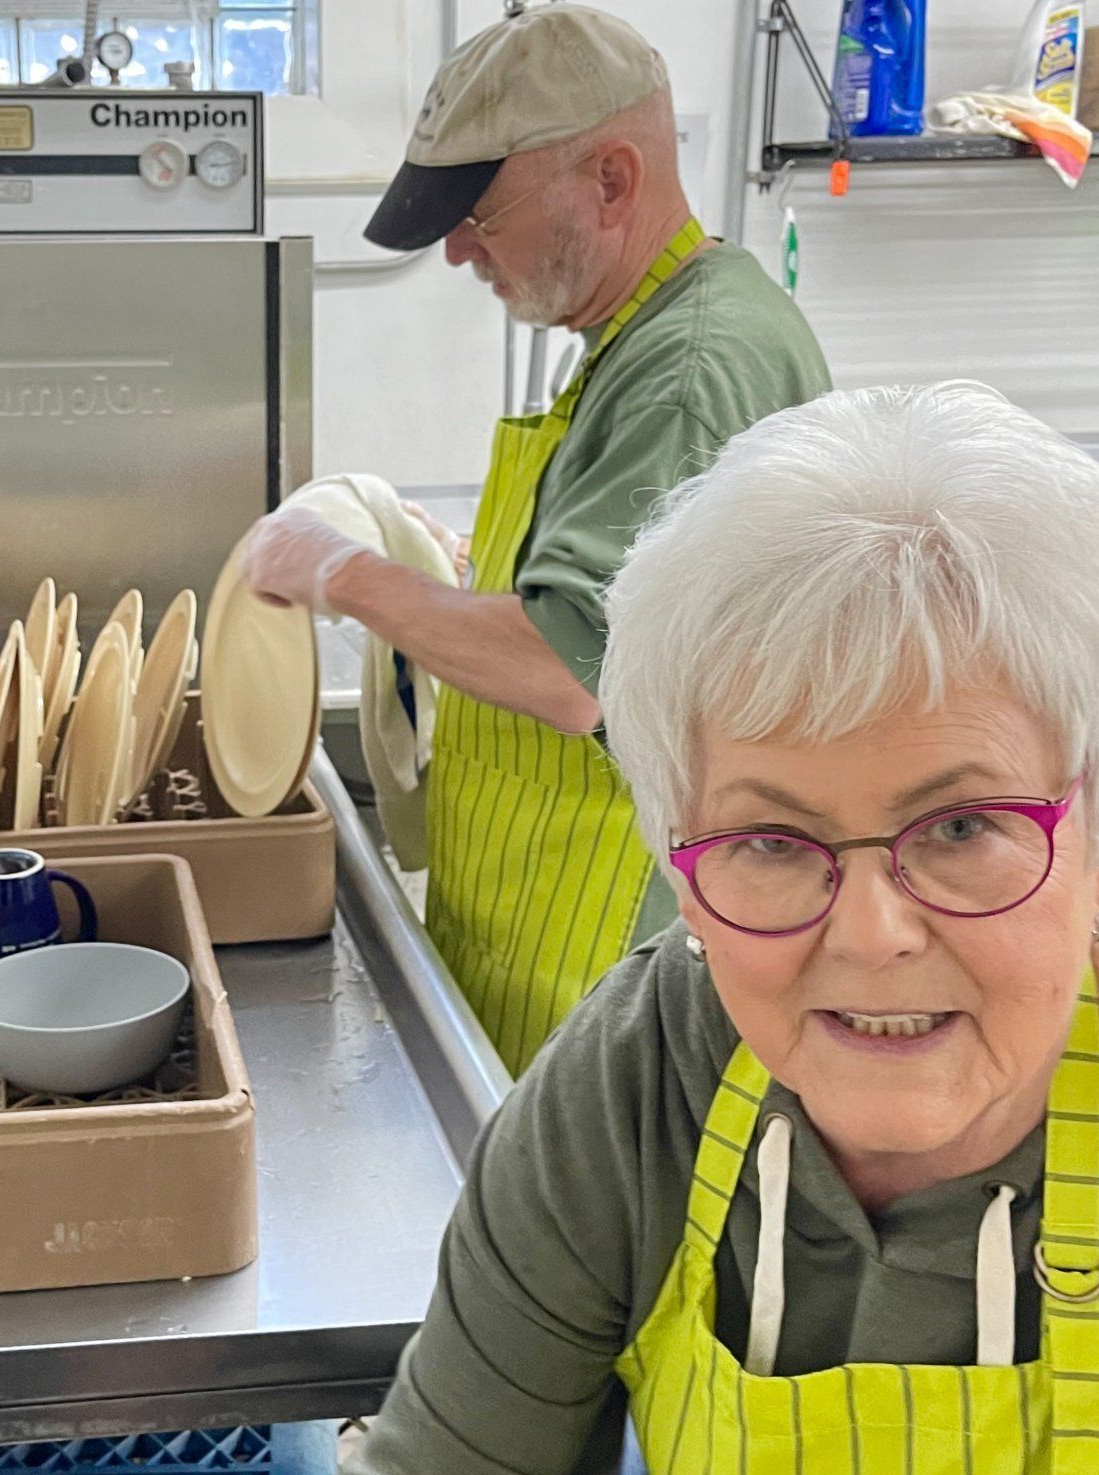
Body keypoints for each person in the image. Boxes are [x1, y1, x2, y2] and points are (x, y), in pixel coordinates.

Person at [171, 384, 1099, 1475]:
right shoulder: (648, 1084)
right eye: (771, 838)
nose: (870, 935)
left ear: (1094, 823)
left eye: (963, 828)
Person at [244, 4, 830, 1080]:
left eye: (481, 213)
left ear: (611, 179)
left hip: (608, 928)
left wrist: (339, 572)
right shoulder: (649, 334)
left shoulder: (687, 368)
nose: (463, 252)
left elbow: (572, 671)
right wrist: (467, 573)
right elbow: (625, 594)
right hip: (547, 905)